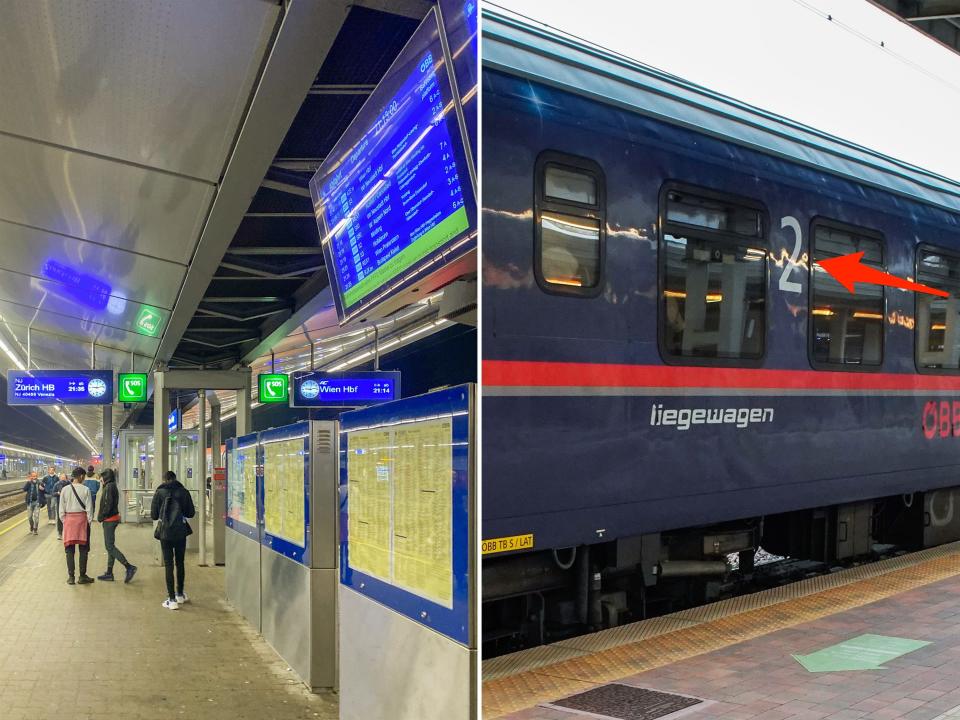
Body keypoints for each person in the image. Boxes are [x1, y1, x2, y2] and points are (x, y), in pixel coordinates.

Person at [151, 470, 195, 610]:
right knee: (180, 562)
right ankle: (180, 594)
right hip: (180, 532)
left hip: (165, 533)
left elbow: (153, 515)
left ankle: (171, 599)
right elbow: (191, 513)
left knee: (169, 564)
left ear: (164, 480)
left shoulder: (159, 492)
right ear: (175, 479)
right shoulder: (183, 491)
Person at [96, 469, 137, 583]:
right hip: (111, 518)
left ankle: (129, 567)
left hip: (109, 519)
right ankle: (109, 573)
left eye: (102, 477)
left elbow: (107, 505)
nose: (100, 479)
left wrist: (101, 516)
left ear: (106, 477)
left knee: (109, 547)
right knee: (111, 546)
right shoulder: (111, 485)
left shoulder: (109, 487)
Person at [60, 467, 94, 585]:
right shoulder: (86, 490)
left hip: (69, 521)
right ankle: (82, 576)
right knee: (83, 550)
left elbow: (61, 510)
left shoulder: (64, 490)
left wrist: (66, 521)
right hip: (82, 521)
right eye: (83, 477)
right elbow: (89, 509)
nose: (84, 479)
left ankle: (71, 577)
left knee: (69, 550)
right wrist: (88, 523)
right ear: (80, 476)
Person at [53, 473, 70, 539]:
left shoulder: (70, 484)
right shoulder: (57, 484)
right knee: (60, 518)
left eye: (64, 477)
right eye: (61, 477)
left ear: (66, 478)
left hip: (68, 504)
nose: (63, 479)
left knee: (68, 518)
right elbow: (53, 493)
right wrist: (57, 493)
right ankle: (60, 533)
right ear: (59, 478)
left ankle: (68, 533)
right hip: (59, 503)